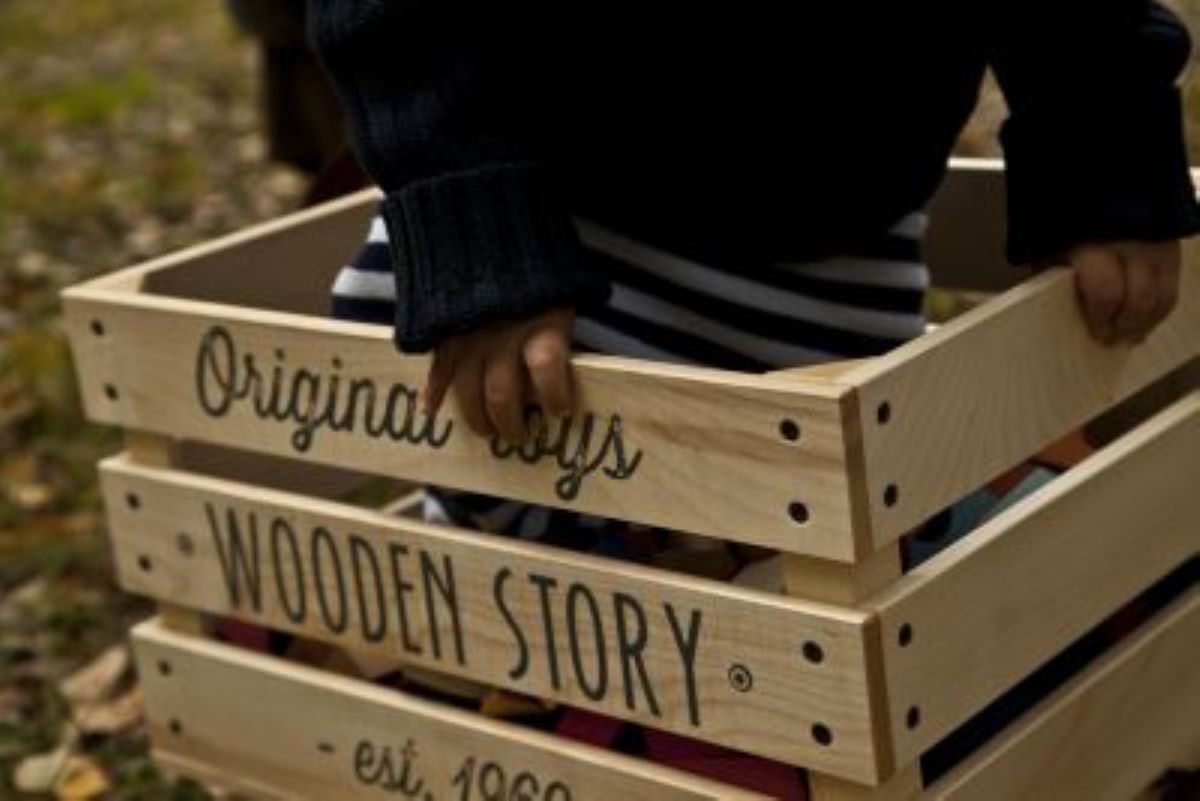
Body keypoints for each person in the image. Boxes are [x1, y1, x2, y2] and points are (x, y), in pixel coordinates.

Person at [306, 1, 1198, 541]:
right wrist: (471, 223)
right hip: (550, 231)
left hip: (831, 223)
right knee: (509, 461)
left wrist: (1104, 132)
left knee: (821, 528)